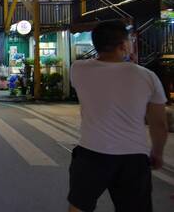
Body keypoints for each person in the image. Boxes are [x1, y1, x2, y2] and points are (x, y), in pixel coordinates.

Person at [68, 21, 168, 212]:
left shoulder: (78, 69)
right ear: (123, 45)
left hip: (91, 153)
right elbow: (159, 124)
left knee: (78, 207)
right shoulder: (147, 76)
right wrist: (157, 152)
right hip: (133, 157)